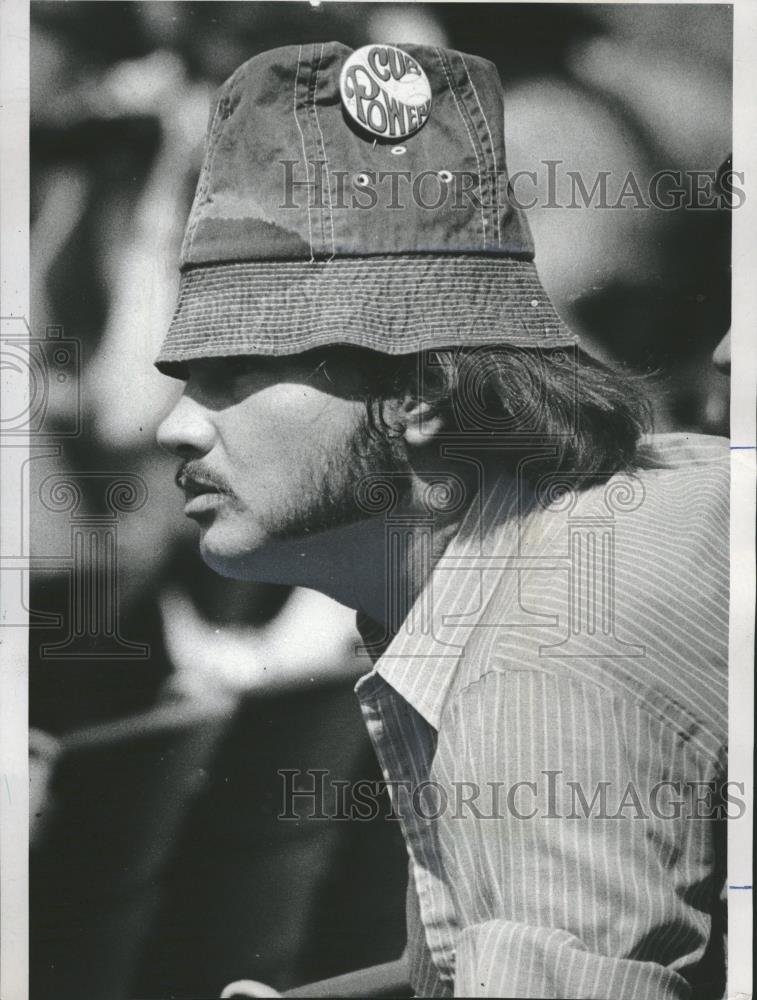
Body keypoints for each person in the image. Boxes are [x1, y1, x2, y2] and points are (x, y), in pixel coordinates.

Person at [155, 42, 729, 999]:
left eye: (232, 375)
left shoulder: (538, 673)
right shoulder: (579, 530)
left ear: (421, 391)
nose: (173, 426)